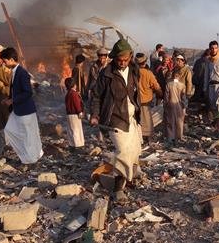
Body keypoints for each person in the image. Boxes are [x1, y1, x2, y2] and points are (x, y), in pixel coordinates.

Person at [90, 39, 141, 202]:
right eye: (120, 60)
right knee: (123, 152)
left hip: (131, 117)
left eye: (126, 60)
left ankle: (129, 176)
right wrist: (95, 115)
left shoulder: (134, 69)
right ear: (114, 58)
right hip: (114, 119)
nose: (123, 63)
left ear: (130, 57)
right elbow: (96, 96)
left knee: (134, 150)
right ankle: (118, 188)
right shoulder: (106, 74)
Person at [0, 47, 43, 164]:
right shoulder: (15, 72)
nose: (4, 64)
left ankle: (31, 160)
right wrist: (8, 99)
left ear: (11, 59)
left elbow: (28, 92)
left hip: (25, 110)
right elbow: (16, 91)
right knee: (10, 130)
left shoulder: (22, 73)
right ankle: (28, 156)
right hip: (18, 109)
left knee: (28, 135)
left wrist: (13, 100)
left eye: (5, 61)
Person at [135, 53, 162, 145]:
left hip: (135, 100)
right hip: (145, 100)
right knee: (147, 121)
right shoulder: (148, 73)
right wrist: (161, 94)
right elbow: (156, 86)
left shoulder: (133, 72)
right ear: (145, 62)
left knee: (137, 120)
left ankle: (138, 137)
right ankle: (148, 138)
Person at [164, 67, 187, 144]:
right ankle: (179, 136)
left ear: (173, 75)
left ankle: (170, 137)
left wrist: (165, 105)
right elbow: (183, 97)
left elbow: (166, 97)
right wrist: (184, 106)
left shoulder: (168, 84)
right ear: (179, 76)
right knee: (179, 121)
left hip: (170, 104)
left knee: (170, 121)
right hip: (179, 105)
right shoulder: (182, 85)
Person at [64, 77, 85, 150]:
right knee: (76, 130)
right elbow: (77, 104)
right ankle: (78, 146)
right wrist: (80, 112)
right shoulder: (74, 93)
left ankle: (72, 145)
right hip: (74, 115)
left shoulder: (68, 94)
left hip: (69, 115)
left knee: (71, 130)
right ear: (73, 85)